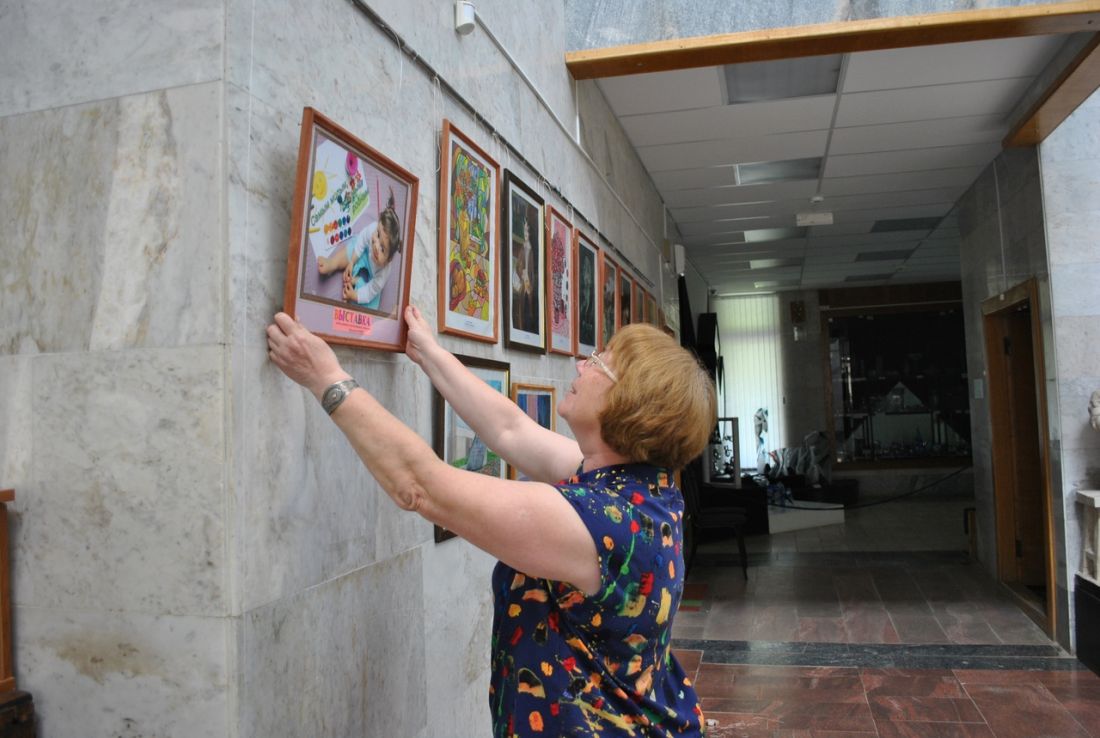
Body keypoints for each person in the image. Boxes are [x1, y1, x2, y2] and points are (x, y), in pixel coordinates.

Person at [265, 307, 716, 737]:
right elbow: (510, 430)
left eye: (599, 362)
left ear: (627, 404)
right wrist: (429, 352)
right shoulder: (638, 488)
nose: (581, 365)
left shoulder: (601, 523)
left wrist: (326, 377)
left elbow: (420, 485)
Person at [317, 191, 402, 310]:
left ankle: (357, 282)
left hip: (373, 277)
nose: (376, 246)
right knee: (353, 246)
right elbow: (361, 241)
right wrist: (352, 262)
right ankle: (333, 263)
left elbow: (370, 291)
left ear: (388, 260)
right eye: (378, 235)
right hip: (365, 254)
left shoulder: (382, 274)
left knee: (372, 305)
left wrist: (354, 295)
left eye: (382, 249)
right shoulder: (373, 229)